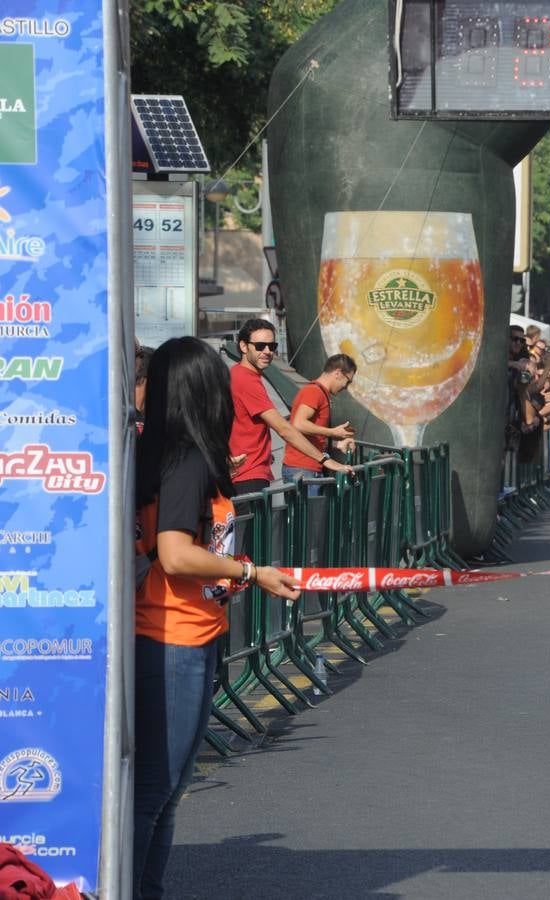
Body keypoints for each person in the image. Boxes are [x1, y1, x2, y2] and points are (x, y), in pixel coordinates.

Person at [133, 337, 301, 899]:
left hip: (185, 634)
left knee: (168, 788)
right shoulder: (182, 460)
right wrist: (249, 572)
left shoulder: (175, 455)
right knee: (159, 789)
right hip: (170, 636)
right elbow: (176, 553)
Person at [228, 318, 352, 494]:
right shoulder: (245, 378)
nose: (267, 351)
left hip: (249, 471)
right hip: (249, 475)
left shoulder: (241, 375)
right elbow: (286, 428)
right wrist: (326, 459)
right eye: (260, 346)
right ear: (243, 346)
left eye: (272, 346)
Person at [281, 353, 359, 491]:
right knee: (312, 513)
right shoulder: (314, 392)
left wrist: (336, 444)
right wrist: (332, 432)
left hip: (306, 469)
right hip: (303, 470)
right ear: (337, 373)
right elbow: (299, 424)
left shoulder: (318, 392)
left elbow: (311, 434)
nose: (346, 387)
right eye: (348, 381)